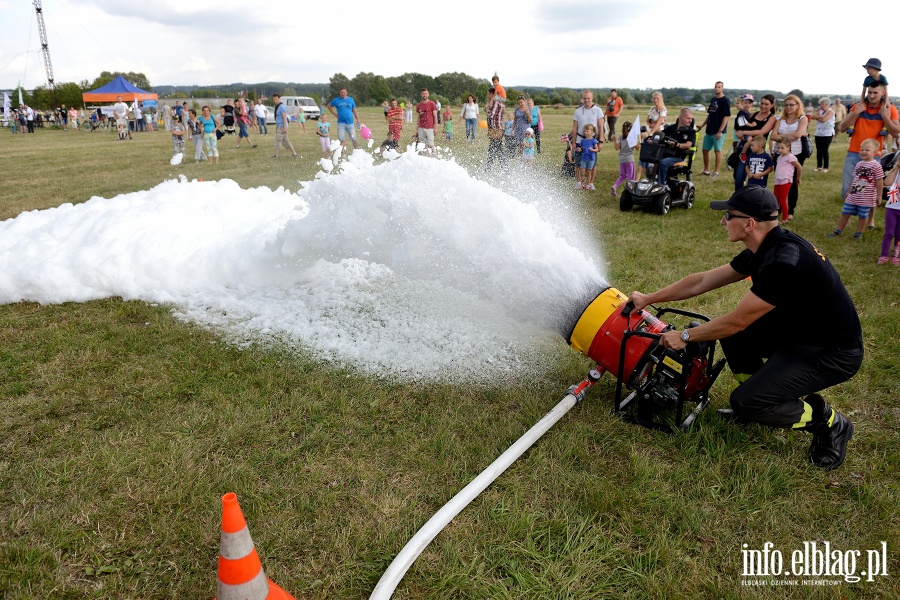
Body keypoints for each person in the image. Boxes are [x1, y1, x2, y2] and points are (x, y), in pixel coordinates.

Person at [628, 186, 862, 471]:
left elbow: (736, 320)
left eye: (728, 216)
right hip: (798, 334)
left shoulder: (783, 261)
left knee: (745, 400)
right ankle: (760, 398)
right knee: (735, 338)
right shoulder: (764, 246)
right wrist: (649, 298)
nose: (722, 222)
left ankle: (828, 421)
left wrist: (685, 336)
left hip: (830, 353)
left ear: (749, 223)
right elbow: (702, 281)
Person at [839, 82, 900, 198]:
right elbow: (842, 128)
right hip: (853, 152)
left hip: (874, 156)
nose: (871, 96)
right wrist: (856, 113)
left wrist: (884, 116)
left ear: (883, 93)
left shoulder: (889, 109)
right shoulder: (858, 107)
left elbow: (896, 133)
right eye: (870, 92)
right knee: (846, 193)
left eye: (875, 93)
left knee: (865, 195)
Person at [828, 138, 884, 239]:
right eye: (862, 149)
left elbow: (880, 181)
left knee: (863, 216)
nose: (863, 152)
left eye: (867, 150)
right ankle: (838, 231)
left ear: (875, 152)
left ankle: (858, 234)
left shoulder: (877, 165)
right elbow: (855, 179)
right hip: (854, 195)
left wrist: (879, 195)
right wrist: (849, 191)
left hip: (866, 198)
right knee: (845, 213)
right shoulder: (859, 164)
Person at [770, 94, 809, 221]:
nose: (788, 107)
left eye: (791, 104)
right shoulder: (780, 120)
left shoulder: (802, 119)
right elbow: (773, 136)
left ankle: (790, 210)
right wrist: (788, 136)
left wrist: (781, 135)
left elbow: (798, 134)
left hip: (796, 153)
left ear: (798, 105)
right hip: (779, 153)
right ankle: (779, 207)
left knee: (791, 183)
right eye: (786, 105)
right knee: (779, 180)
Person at [696, 81, 732, 177]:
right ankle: (706, 171)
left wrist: (720, 131)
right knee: (705, 150)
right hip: (709, 130)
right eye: (715, 87)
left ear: (722, 88)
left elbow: (726, 117)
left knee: (717, 151)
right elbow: (710, 115)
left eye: (719, 87)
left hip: (718, 131)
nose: (717, 88)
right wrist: (702, 126)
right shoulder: (713, 99)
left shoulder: (725, 101)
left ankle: (716, 172)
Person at [653, 108, 696, 185]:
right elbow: (661, 135)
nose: (690, 121)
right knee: (651, 160)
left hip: (678, 157)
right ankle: (653, 182)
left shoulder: (691, 131)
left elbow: (688, 145)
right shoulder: (671, 128)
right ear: (680, 117)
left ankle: (661, 185)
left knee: (663, 163)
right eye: (688, 118)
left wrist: (678, 145)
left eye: (691, 119)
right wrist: (652, 138)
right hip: (665, 153)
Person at [570, 90, 605, 176]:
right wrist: (573, 142)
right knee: (578, 163)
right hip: (579, 140)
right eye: (585, 98)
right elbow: (574, 128)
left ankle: (591, 183)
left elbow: (601, 127)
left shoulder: (598, 111)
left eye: (588, 98)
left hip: (592, 141)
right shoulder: (578, 111)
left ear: (592, 98)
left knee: (592, 163)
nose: (587, 100)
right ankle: (579, 182)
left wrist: (600, 142)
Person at [638, 92, 667, 180]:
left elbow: (659, 123)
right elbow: (647, 121)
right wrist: (650, 127)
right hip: (650, 130)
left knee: (655, 154)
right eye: (654, 98)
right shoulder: (651, 109)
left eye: (657, 98)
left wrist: (651, 133)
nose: (655, 100)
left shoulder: (663, 110)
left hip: (658, 134)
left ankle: (655, 173)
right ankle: (646, 172)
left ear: (661, 99)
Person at [772, 140, 801, 223]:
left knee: (782, 199)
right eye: (778, 148)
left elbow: (799, 167)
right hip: (778, 180)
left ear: (788, 147)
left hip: (785, 180)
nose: (780, 150)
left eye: (782, 148)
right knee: (776, 199)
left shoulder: (791, 157)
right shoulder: (779, 157)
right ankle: (775, 216)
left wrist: (797, 178)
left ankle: (785, 218)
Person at [879, 159, 900, 265]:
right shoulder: (897, 174)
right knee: (889, 233)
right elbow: (886, 182)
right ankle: (884, 255)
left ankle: (896, 255)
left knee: (899, 234)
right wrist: (896, 169)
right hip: (892, 207)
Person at [611, 121, 638, 197]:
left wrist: (614, 140)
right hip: (629, 160)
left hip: (622, 160)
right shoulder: (632, 138)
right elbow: (638, 148)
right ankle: (630, 193)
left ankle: (615, 186)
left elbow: (616, 147)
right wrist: (640, 140)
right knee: (631, 178)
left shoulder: (620, 137)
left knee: (622, 175)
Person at [810, 98, 835, 172]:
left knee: (824, 150)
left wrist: (818, 118)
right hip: (818, 133)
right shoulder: (820, 111)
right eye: (820, 104)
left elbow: (824, 120)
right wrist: (819, 117)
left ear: (827, 104)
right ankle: (819, 166)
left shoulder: (831, 112)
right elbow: (813, 117)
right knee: (819, 150)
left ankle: (826, 167)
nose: (820, 106)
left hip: (827, 134)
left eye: (822, 104)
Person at [484, 87, 506, 172]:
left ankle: (488, 168)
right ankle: (504, 168)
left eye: (488, 93)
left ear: (493, 94)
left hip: (497, 130)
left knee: (493, 149)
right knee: (497, 149)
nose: (487, 95)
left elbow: (491, 115)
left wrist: (486, 108)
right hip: (497, 129)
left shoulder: (496, 103)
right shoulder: (498, 103)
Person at [272, 93, 298, 158]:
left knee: (278, 140)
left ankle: (276, 154)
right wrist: (276, 127)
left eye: (276, 99)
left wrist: (285, 128)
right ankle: (294, 153)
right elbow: (278, 118)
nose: (275, 100)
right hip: (279, 126)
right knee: (285, 141)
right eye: (274, 99)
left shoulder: (281, 107)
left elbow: (284, 117)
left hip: (282, 126)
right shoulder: (277, 106)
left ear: (279, 99)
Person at [577, 124, 600, 190]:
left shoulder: (593, 141)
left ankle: (588, 184)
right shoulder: (583, 140)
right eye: (585, 131)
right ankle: (582, 184)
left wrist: (593, 150)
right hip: (583, 158)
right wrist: (579, 149)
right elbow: (581, 148)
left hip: (590, 158)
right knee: (582, 172)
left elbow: (597, 149)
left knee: (589, 172)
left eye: (587, 131)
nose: (586, 133)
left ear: (592, 132)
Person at [415, 88, 438, 152]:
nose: (424, 95)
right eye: (423, 94)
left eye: (426, 93)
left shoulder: (432, 104)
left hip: (430, 127)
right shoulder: (419, 105)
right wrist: (417, 128)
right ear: (421, 95)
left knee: (430, 144)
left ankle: (433, 157)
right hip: (421, 127)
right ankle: (423, 158)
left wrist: (436, 127)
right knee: (421, 145)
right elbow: (418, 117)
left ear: (428, 94)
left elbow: (435, 116)